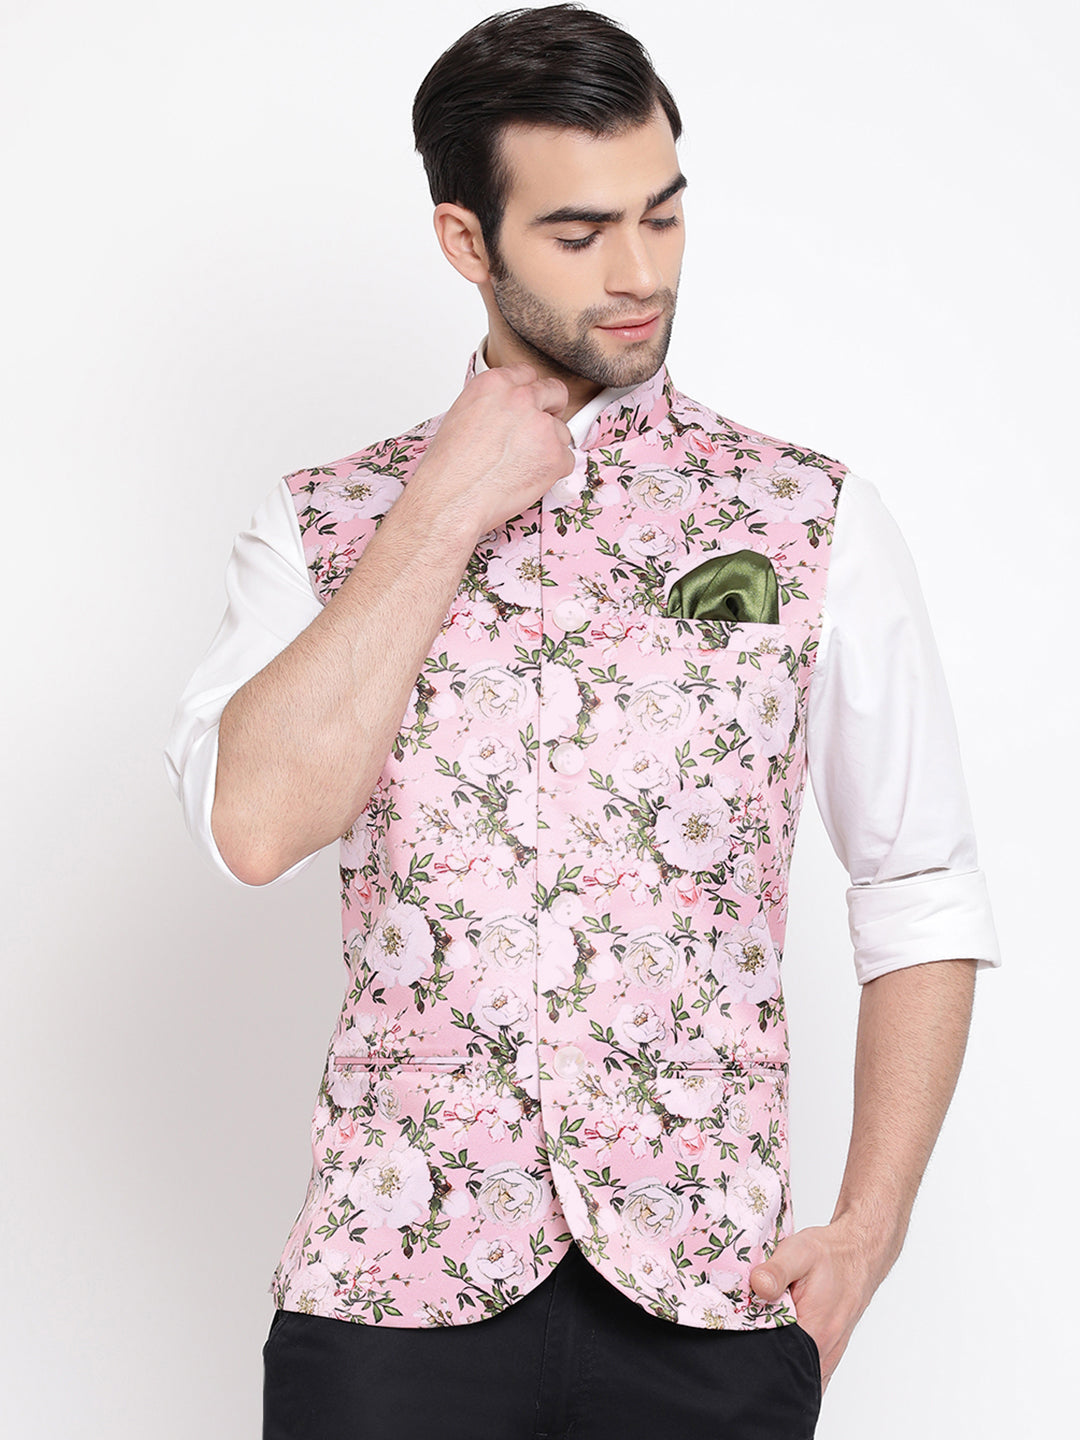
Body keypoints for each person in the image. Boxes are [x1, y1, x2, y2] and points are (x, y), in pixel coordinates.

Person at [164, 5, 1000, 1437]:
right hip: (386, 1297)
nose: (640, 273)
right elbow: (254, 826)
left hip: (708, 1298)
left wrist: (869, 1231)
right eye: (578, 232)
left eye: (662, 215)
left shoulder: (812, 518)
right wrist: (440, 507)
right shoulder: (321, 523)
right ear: (466, 241)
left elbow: (918, 882)